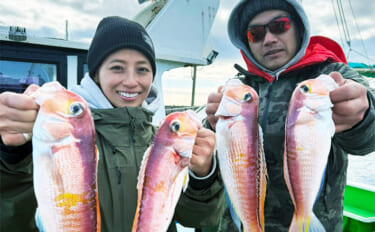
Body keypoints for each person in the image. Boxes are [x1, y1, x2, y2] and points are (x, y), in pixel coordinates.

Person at [0, 16, 225, 232]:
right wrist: (14, 155)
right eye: (117, 67)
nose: (131, 81)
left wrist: (202, 176)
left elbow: (197, 218)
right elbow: (12, 219)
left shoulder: (165, 140)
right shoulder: (60, 137)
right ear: (96, 74)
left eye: (143, 69)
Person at [205, 0, 375, 231]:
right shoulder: (239, 89)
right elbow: (210, 161)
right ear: (246, 41)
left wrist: (362, 117)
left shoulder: (330, 76)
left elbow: (368, 137)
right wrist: (211, 127)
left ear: (299, 28)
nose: (269, 39)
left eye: (280, 26)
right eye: (255, 33)